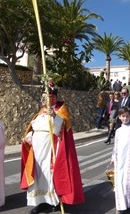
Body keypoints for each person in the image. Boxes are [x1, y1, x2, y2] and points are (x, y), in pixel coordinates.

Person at [21, 85, 85, 214]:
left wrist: (55, 116)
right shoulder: (40, 112)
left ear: (55, 98)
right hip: (37, 151)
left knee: (50, 174)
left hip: (51, 150)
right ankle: (39, 202)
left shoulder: (60, 110)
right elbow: (33, 128)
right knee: (38, 175)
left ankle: (53, 201)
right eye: (44, 98)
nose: (46, 100)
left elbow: (62, 130)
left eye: (50, 97)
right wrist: (29, 136)